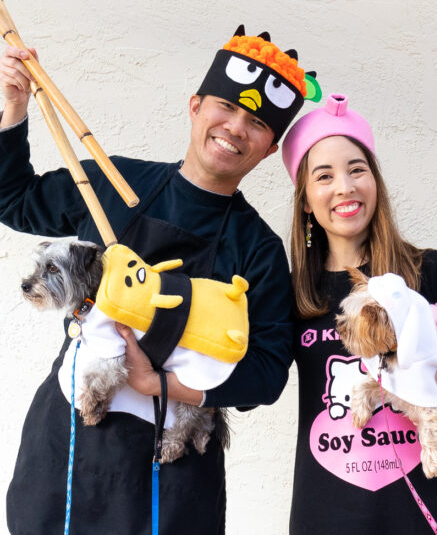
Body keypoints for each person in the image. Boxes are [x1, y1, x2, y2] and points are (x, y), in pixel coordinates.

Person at [0, 28, 318, 534]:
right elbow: (13, 200)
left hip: (174, 463)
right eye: (226, 107)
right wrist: (15, 107)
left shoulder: (258, 248)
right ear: (195, 106)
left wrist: (161, 384)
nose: (235, 128)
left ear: (269, 147)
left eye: (256, 123)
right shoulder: (110, 181)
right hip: (68, 438)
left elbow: (266, 375)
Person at [281, 93, 437, 534]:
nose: (344, 186)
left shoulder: (423, 271)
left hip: (423, 514)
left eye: (357, 169)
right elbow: (251, 384)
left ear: (375, 181)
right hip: (325, 514)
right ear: (305, 199)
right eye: (324, 176)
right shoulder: (295, 294)